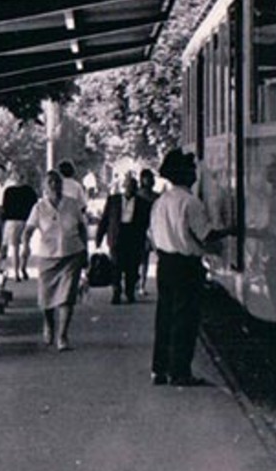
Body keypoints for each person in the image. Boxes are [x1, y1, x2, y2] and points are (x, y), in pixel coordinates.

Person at [148, 150, 223, 386]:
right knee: (185, 319)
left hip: (165, 264)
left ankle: (159, 370)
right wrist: (230, 231)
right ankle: (180, 372)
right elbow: (205, 234)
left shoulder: (161, 202)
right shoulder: (190, 203)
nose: (194, 173)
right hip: (186, 266)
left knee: (165, 317)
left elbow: (152, 234)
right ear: (186, 174)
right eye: (191, 169)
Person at [20, 169, 89, 351]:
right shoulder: (39, 208)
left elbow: (82, 227)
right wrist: (25, 246)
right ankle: (49, 325)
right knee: (46, 298)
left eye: (57, 181)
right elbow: (28, 230)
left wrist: (85, 250)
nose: (54, 185)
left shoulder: (72, 204)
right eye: (50, 182)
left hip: (71, 254)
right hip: (47, 256)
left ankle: (62, 336)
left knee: (67, 298)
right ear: (44, 186)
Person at [95, 172, 152, 304]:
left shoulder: (143, 204)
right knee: (116, 266)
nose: (130, 189)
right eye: (128, 186)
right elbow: (105, 220)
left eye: (133, 186)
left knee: (132, 267)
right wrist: (99, 237)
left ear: (136, 188)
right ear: (123, 187)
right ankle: (116, 292)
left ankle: (129, 291)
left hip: (134, 237)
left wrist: (147, 240)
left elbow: (147, 223)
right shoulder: (113, 200)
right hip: (117, 236)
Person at [0, 180, 38, 282]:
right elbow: (35, 205)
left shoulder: (9, 191)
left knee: (15, 248)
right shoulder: (29, 191)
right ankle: (23, 267)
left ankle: (16, 273)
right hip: (26, 220)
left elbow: (4, 207)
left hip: (12, 221)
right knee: (26, 244)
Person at [135, 167, 157, 297]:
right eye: (146, 178)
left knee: (144, 258)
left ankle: (141, 283)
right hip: (140, 230)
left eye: (150, 178)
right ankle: (139, 282)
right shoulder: (152, 197)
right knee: (140, 258)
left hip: (151, 230)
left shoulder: (156, 196)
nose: (149, 180)